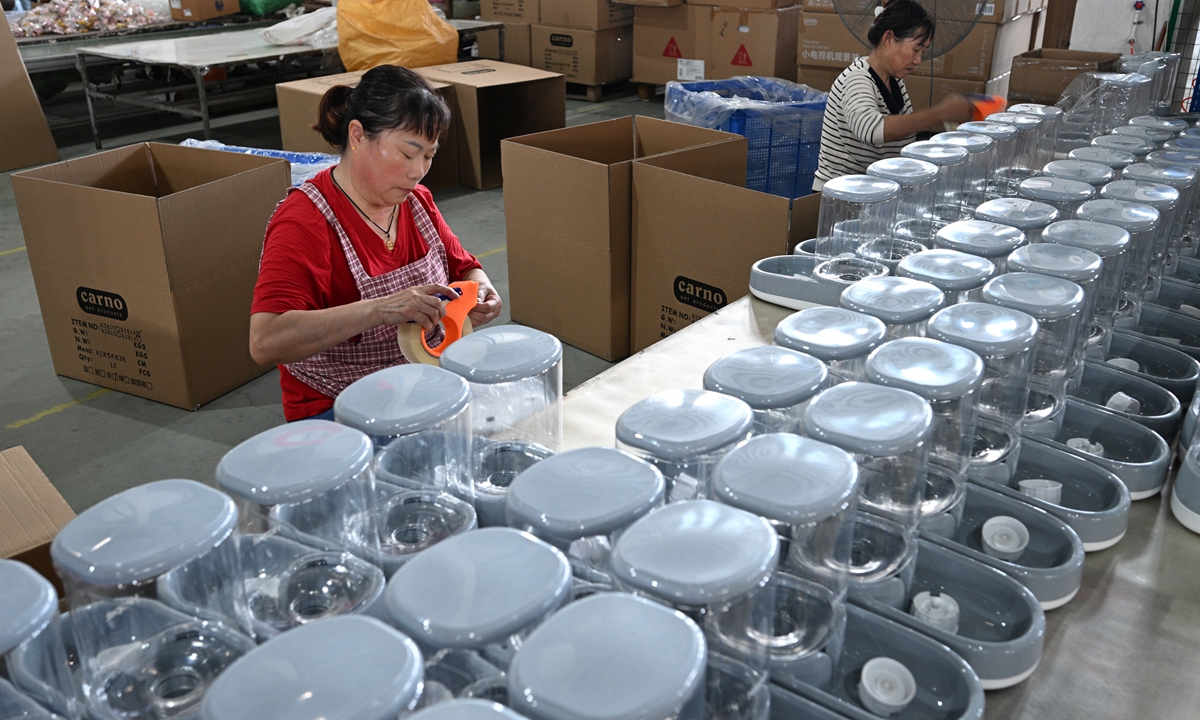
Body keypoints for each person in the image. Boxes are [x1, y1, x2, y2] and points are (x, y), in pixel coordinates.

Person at [249, 65, 502, 422]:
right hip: (339, 405)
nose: (418, 171)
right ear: (357, 135)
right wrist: (379, 310)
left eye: (429, 156)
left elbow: (464, 268)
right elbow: (265, 341)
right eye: (407, 153)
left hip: (421, 383)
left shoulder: (417, 201)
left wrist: (481, 291)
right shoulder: (305, 220)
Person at [813, 0, 975, 190]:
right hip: (841, 195)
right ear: (889, 38)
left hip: (873, 191)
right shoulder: (857, 79)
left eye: (923, 52)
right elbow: (872, 129)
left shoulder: (895, 81)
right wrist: (940, 113)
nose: (918, 60)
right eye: (915, 49)